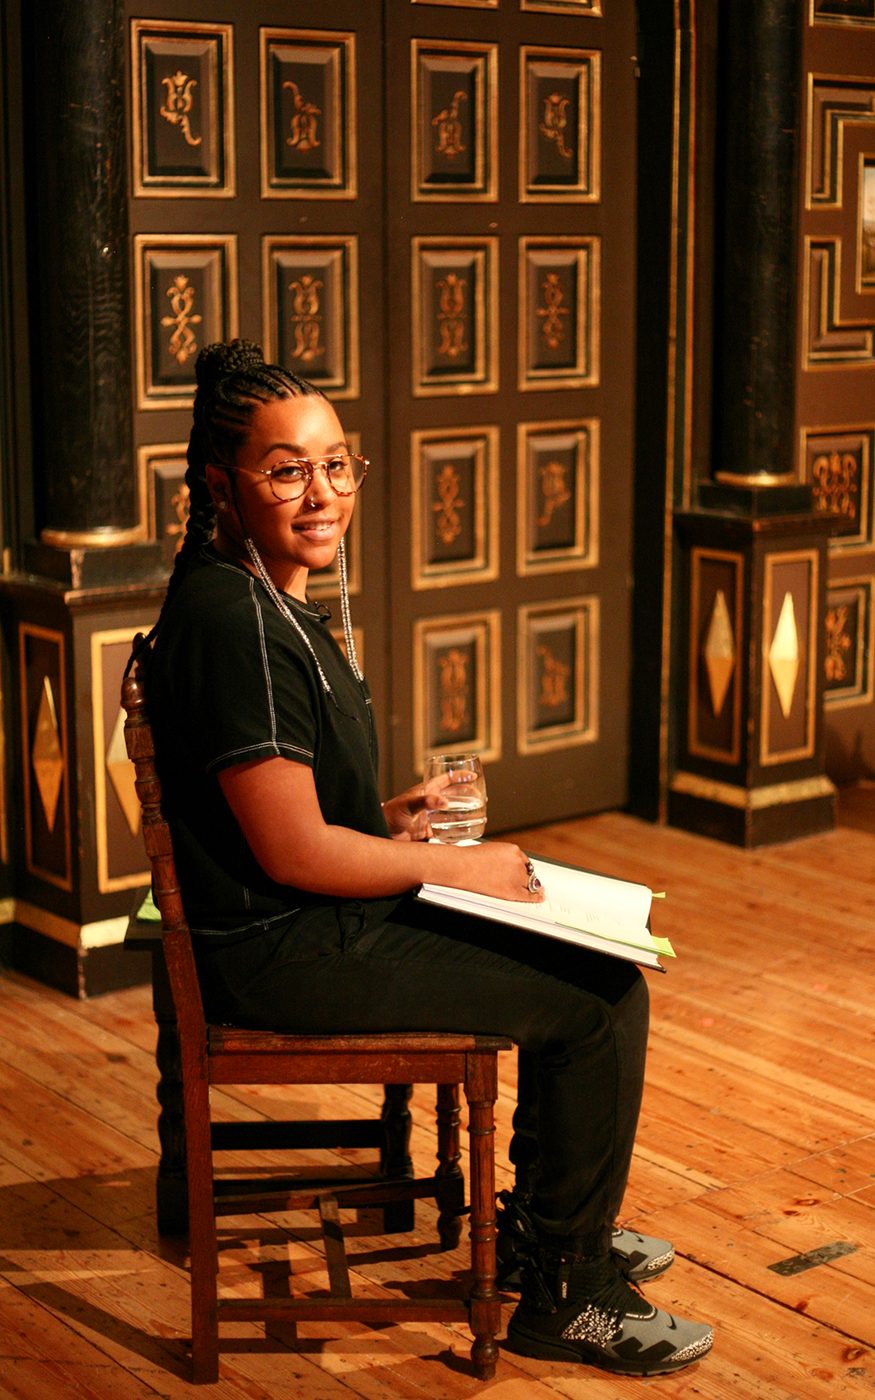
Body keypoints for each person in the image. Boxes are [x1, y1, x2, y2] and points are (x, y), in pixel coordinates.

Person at [143, 339, 713, 1377]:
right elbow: (293, 851)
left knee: (589, 972)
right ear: (223, 484)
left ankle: (550, 1233)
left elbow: (288, 817)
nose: (322, 492)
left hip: (302, 921)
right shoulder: (235, 622)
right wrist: (459, 867)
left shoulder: (254, 594)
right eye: (286, 470)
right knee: (598, 999)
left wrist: (390, 824)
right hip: (283, 949)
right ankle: (563, 1287)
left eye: (335, 464)